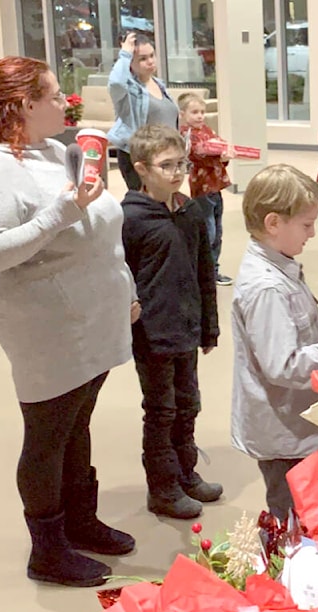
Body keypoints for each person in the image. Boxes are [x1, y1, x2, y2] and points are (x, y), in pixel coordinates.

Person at [0, 57, 137, 587]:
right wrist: (61, 211)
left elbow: (99, 226)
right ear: (22, 106)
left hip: (89, 317)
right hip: (47, 326)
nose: (66, 100)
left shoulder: (54, 152)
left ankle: (80, 522)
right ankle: (47, 548)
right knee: (47, 435)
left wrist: (124, 287)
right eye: (53, 93)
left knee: (75, 424)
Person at [231, 165, 318, 521]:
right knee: (292, 520)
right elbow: (284, 364)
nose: (313, 233)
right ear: (274, 223)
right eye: (306, 225)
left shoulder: (282, 267)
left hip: (298, 424)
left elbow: (303, 336)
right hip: (284, 434)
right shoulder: (267, 288)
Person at [121, 124, 222, 520]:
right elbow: (120, 274)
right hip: (152, 334)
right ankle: (162, 488)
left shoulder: (192, 211)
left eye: (181, 163)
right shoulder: (130, 219)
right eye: (167, 165)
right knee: (161, 411)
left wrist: (208, 325)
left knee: (188, 405)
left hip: (186, 328)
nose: (177, 172)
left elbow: (204, 272)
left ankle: (186, 473)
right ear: (142, 168)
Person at [108, 32, 178, 191]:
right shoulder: (128, 89)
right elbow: (115, 83)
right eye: (142, 59)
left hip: (164, 155)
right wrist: (125, 53)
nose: (150, 61)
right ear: (130, 63)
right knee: (146, 205)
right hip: (139, 156)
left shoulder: (159, 84)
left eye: (152, 55)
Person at [178, 92, 233, 286]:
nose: (200, 116)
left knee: (217, 230)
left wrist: (224, 154)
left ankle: (214, 269)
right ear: (183, 113)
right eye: (194, 112)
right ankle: (204, 270)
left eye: (202, 112)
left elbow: (219, 146)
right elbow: (200, 152)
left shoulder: (207, 130)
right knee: (208, 231)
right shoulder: (188, 135)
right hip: (202, 188)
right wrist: (219, 153)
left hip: (215, 186)